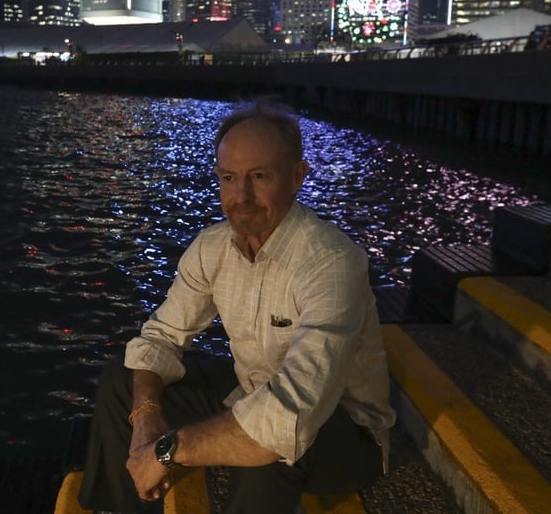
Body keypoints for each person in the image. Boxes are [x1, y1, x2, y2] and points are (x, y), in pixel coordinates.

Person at [77, 104, 396, 513]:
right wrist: (146, 420)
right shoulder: (213, 247)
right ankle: (122, 506)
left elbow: (293, 408)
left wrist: (168, 450)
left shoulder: (331, 262)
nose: (241, 197)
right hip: (252, 388)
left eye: (259, 176)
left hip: (344, 430)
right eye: (229, 178)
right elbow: (160, 336)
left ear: (297, 176)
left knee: (279, 441)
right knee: (125, 381)